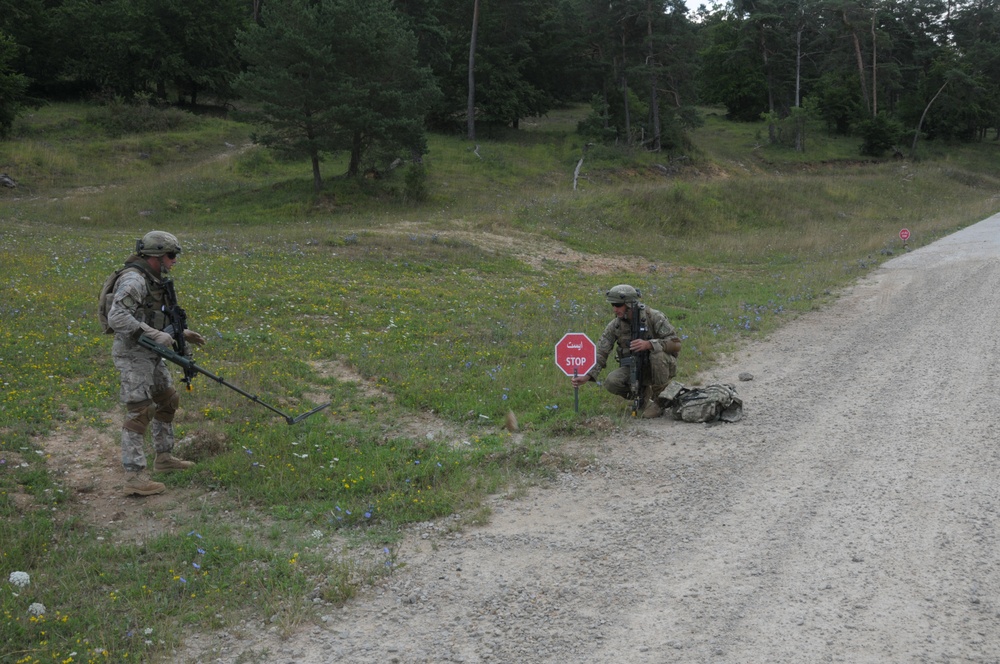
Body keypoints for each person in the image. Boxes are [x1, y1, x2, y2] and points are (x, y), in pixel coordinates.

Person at [107, 231, 206, 496]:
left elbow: (148, 316)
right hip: (133, 354)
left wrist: (179, 333)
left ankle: (164, 458)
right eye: (171, 255)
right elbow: (117, 317)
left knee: (168, 399)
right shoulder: (133, 280)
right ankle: (134, 476)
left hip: (150, 352)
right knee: (139, 411)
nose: (174, 261)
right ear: (155, 256)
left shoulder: (153, 280)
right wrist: (154, 335)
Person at [570, 284, 681, 418]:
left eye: (618, 305)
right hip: (634, 367)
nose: (615, 309)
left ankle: (660, 401)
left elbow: (676, 343)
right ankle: (642, 394)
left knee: (657, 355)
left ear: (629, 304)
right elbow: (601, 352)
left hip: (661, 365)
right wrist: (588, 375)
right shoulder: (615, 325)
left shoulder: (654, 317)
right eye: (613, 305)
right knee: (611, 382)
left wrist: (649, 344)